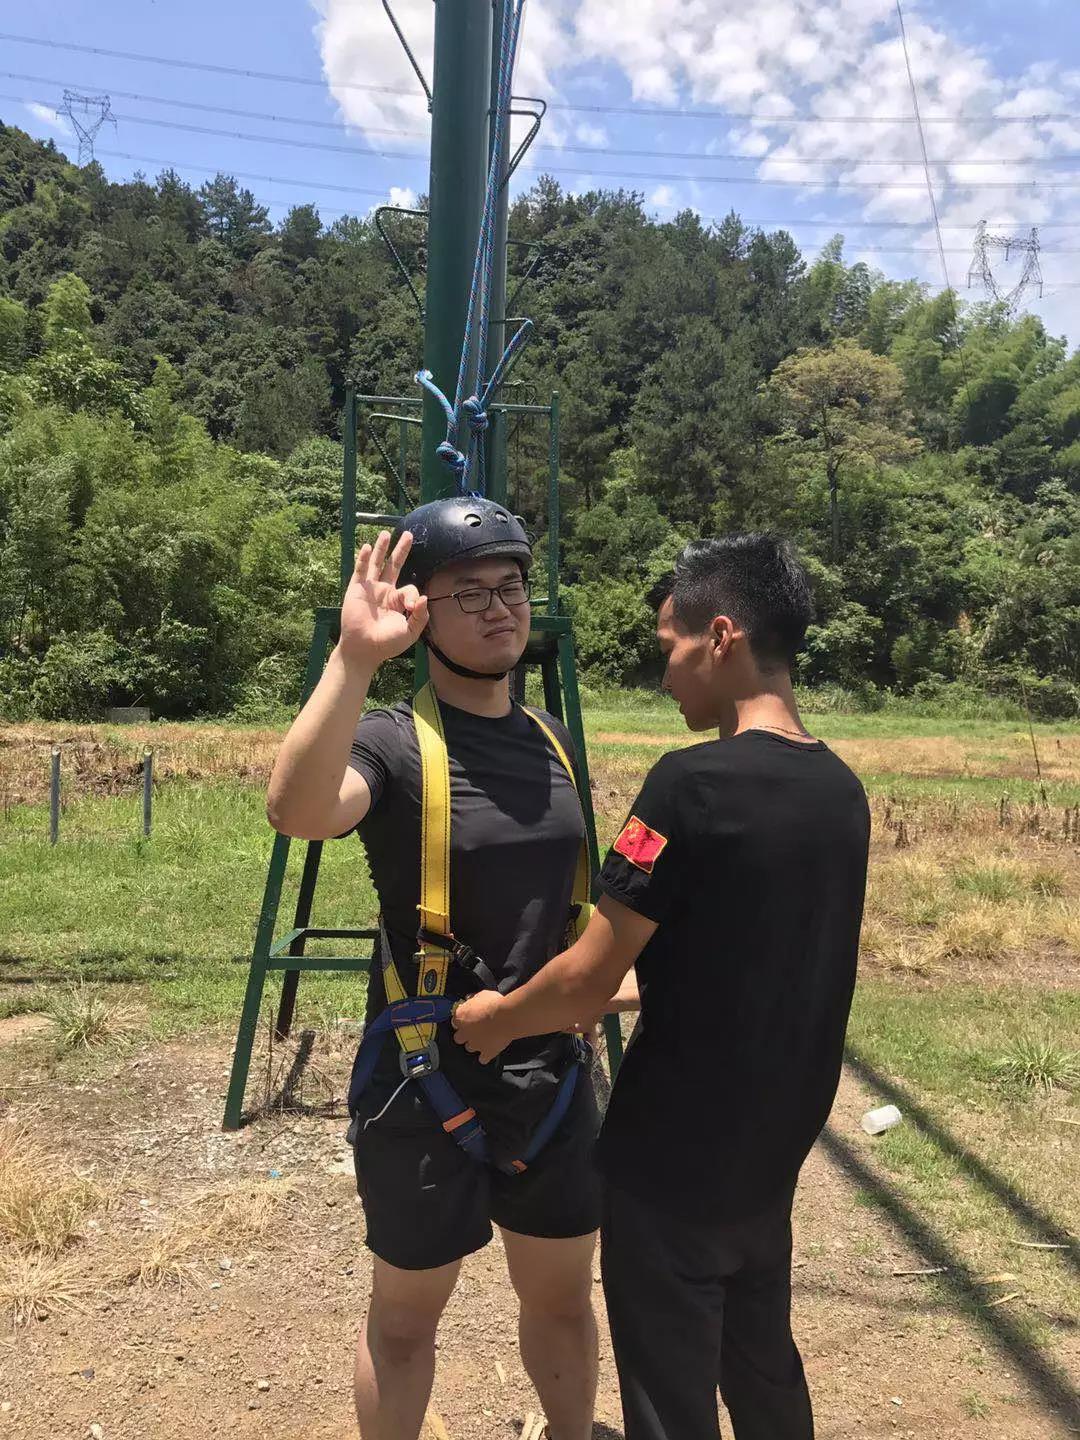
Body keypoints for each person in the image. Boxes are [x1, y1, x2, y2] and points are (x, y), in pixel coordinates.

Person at [453, 533, 872, 1440]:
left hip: (672, 1154)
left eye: (669, 646)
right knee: (761, 1363)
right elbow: (747, 955)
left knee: (667, 1397)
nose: (665, 672)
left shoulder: (688, 786)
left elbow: (586, 976)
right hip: (770, 1151)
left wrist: (498, 1019)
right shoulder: (841, 791)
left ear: (721, 637)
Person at [266, 498, 602, 1440]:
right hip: (426, 1076)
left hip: (548, 1073)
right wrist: (353, 658)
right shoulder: (390, 740)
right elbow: (299, 811)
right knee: (407, 1322)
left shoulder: (552, 739)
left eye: (512, 586)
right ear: (423, 611)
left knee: (564, 1302)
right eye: (470, 592)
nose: (500, 608)